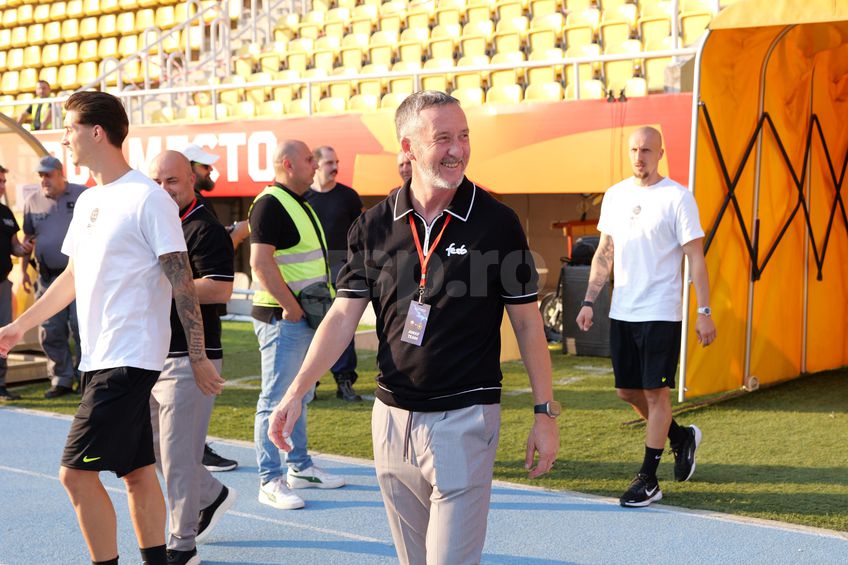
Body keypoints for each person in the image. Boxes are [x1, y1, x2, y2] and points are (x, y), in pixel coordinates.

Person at [265, 91, 560, 565]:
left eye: (463, 136)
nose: (458, 149)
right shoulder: (373, 225)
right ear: (408, 147)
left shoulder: (497, 222)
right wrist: (297, 391)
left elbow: (527, 323)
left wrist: (545, 413)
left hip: (466, 415)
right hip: (392, 419)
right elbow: (343, 314)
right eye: (442, 138)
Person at [0, 91, 225, 565]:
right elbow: (73, 279)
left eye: (70, 128)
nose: (64, 137)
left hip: (130, 359)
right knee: (137, 471)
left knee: (75, 475)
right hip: (98, 356)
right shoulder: (89, 202)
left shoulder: (148, 198)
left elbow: (181, 281)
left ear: (96, 132)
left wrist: (199, 357)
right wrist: (18, 326)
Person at [576, 126, 717, 508]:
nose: (640, 157)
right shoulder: (616, 195)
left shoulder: (678, 198)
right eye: (635, 150)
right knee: (627, 392)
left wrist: (704, 311)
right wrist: (590, 300)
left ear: (661, 153)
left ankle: (648, 479)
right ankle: (679, 437)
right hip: (623, 310)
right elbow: (605, 251)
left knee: (656, 394)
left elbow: (696, 259)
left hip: (661, 312)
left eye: (647, 150)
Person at [147, 151, 237, 565]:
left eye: (173, 181)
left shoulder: (205, 228)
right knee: (158, 451)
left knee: (179, 455)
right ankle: (211, 494)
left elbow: (218, 290)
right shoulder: (153, 224)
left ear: (191, 181)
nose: (164, 190)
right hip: (150, 353)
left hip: (192, 357)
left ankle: (181, 544)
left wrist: (158, 285)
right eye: (157, 181)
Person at [249, 139, 346, 510]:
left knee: (297, 396)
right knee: (275, 400)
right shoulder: (272, 203)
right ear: (288, 164)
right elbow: (260, 262)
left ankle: (300, 467)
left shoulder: (295, 202)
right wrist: (291, 308)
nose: (315, 164)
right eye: (309, 159)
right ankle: (269, 479)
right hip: (283, 317)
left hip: (300, 315)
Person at [177, 143, 244, 473]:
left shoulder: (195, 212)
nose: (210, 172)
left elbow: (211, 262)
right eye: (205, 167)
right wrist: (236, 234)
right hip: (186, 334)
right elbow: (212, 277)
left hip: (192, 333)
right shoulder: (191, 211)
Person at [21, 155, 86, 399]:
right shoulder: (32, 202)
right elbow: (29, 239)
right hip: (47, 278)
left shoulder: (82, 195)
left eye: (48, 174)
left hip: (80, 277)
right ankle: (61, 379)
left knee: (82, 328)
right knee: (50, 331)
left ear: (61, 173)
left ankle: (84, 377)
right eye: (40, 175)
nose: (44, 180)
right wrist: (24, 269)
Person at [303, 145, 364, 402]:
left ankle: (344, 381)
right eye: (329, 162)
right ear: (316, 165)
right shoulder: (303, 198)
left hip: (342, 269)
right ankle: (311, 383)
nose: (334, 166)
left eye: (336, 161)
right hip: (311, 271)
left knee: (343, 324)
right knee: (310, 326)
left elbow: (361, 232)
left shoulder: (348, 196)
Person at [0, 165, 34, 401]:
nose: (2, 186)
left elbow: (14, 245)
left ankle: (0, 384)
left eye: (3, 181)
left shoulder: (5, 212)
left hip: (2, 284)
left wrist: (23, 249)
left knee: (3, 335)